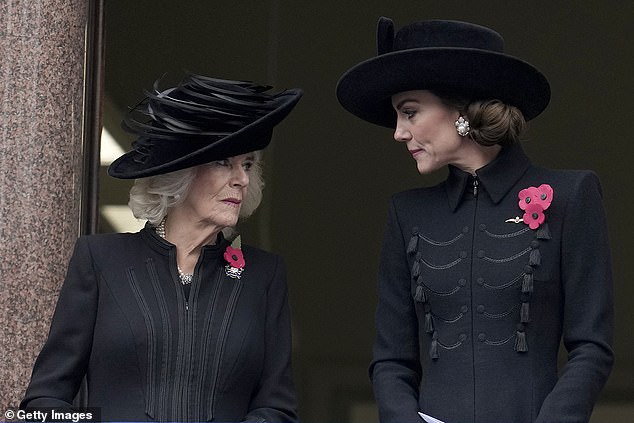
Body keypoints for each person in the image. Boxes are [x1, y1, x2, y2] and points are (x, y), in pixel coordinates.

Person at [336, 17, 613, 423]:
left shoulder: (571, 196)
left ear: (462, 111)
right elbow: (391, 361)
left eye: (409, 112)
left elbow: (592, 346)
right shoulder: (405, 213)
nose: (398, 132)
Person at [21, 73, 303, 422]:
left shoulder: (263, 274)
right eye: (224, 162)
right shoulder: (100, 260)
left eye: (247, 164)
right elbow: (45, 401)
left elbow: (276, 407)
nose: (242, 179)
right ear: (179, 174)